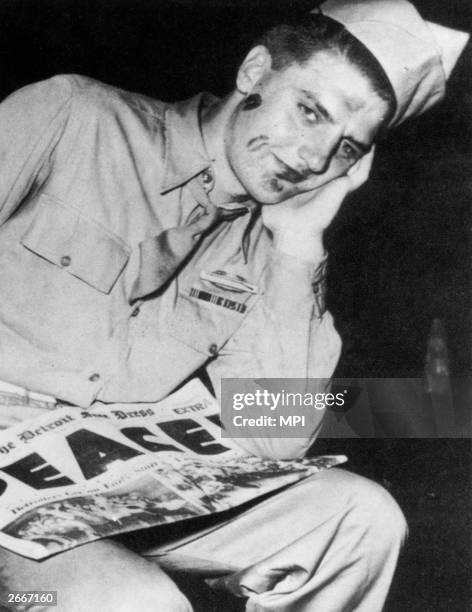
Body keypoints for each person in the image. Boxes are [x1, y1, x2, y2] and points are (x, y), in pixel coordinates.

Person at [0, 1, 467, 611]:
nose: (313, 159)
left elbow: (275, 436)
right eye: (308, 111)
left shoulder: (270, 244)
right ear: (254, 72)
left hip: (109, 488)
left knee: (362, 518)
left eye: (348, 147)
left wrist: (300, 246)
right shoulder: (73, 116)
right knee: (137, 602)